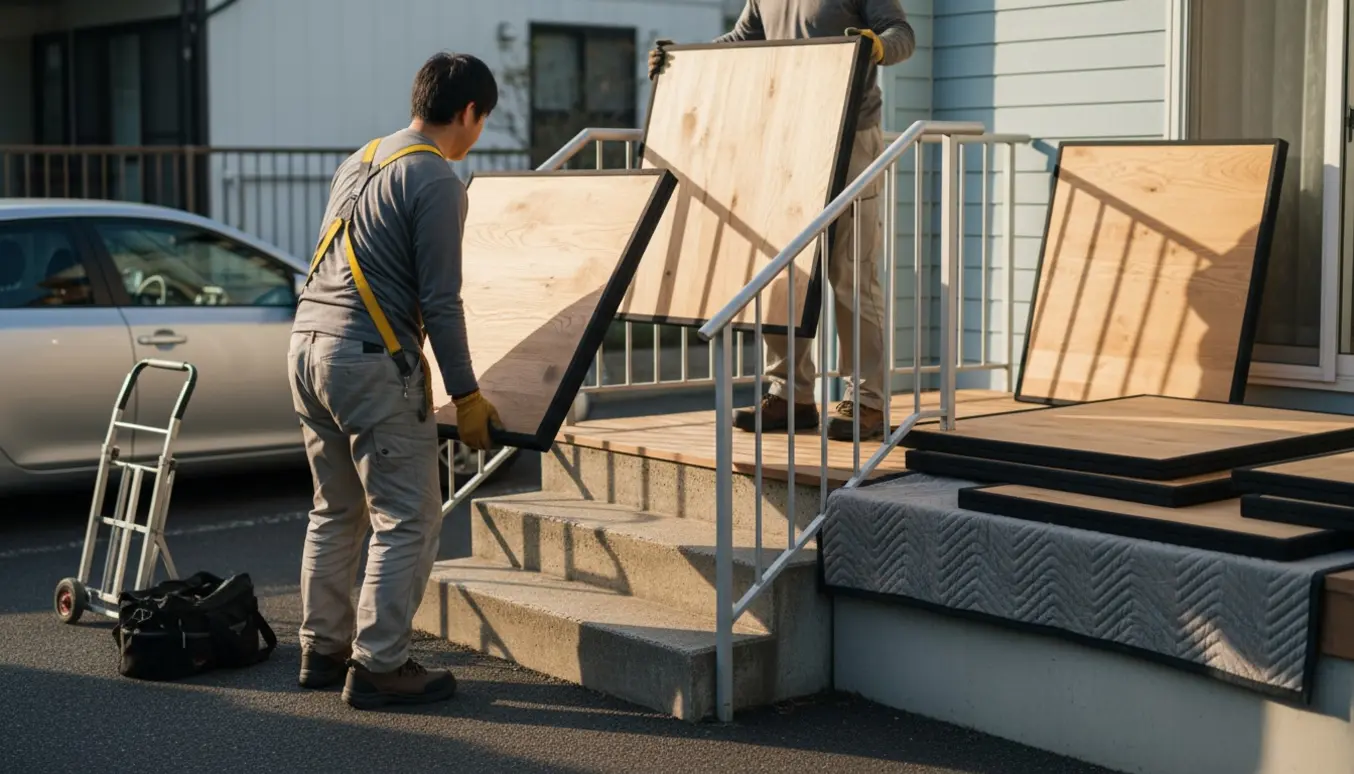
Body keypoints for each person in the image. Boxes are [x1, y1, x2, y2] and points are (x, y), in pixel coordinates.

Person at [286, 51, 502, 710]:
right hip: (368, 360)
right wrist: (465, 394)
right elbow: (442, 300)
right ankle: (380, 665)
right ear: (468, 112)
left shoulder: (363, 157)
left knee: (336, 508)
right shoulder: (435, 180)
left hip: (306, 348)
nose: (478, 132)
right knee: (407, 518)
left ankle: (322, 648)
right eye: (482, 119)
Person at [649, 1, 915, 441]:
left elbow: (901, 35)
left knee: (852, 272)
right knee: (782, 271)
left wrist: (876, 48)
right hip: (788, 134)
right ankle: (792, 394)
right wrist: (684, 58)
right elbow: (740, 44)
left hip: (852, 137)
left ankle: (867, 401)